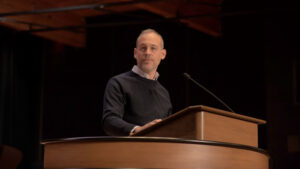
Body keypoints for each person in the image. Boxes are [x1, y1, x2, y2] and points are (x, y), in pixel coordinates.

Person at [102, 29, 172, 136]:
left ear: (163, 54)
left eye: (153, 48)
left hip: (159, 151)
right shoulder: (118, 83)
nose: (147, 52)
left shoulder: (164, 93)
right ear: (135, 53)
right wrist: (137, 130)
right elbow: (109, 121)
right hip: (128, 150)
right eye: (143, 48)